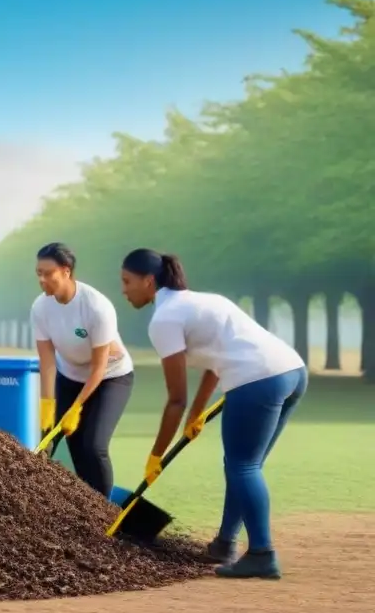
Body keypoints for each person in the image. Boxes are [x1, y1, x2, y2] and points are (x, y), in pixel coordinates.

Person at [121, 248, 307, 580]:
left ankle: (262, 554)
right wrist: (196, 414)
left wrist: (156, 455)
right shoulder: (205, 301)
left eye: (127, 281)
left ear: (149, 281)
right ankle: (224, 544)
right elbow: (214, 365)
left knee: (243, 466)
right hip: (291, 371)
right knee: (246, 465)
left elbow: (175, 398)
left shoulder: (163, 319)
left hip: (257, 379)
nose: (124, 289)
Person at [30, 242, 135, 497]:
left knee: (93, 446)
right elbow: (47, 363)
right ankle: (88, 506)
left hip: (111, 377)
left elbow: (99, 368)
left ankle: (106, 514)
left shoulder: (96, 307)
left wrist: (76, 408)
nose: (42, 280)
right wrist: (48, 408)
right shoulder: (41, 308)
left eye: (48, 273)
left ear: (66, 271)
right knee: (60, 443)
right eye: (38, 274)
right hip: (69, 376)